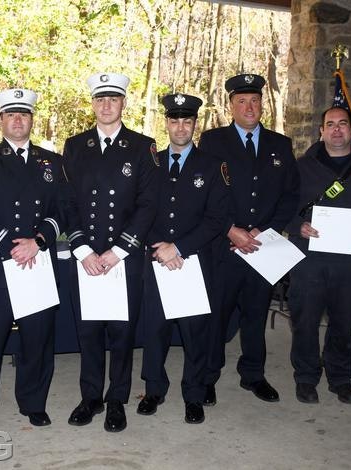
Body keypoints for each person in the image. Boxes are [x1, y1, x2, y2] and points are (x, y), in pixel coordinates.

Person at [62, 72, 160, 432]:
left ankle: (116, 398)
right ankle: (90, 397)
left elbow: (148, 205)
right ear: (92, 104)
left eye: (113, 99)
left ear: (123, 104)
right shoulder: (75, 146)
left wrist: (119, 250)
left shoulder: (142, 146)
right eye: (100, 100)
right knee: (88, 331)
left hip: (123, 257)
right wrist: (83, 249)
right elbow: (67, 202)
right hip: (86, 256)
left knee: (121, 333)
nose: (106, 106)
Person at [0, 88, 66, 432]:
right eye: (11, 115)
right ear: (1, 120)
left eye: (23, 115)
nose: (17, 120)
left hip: (35, 261)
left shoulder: (52, 162)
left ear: (32, 120)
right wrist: (10, 246)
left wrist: (38, 241)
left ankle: (34, 402)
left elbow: (60, 212)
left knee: (37, 340)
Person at [198, 73, 300, 406]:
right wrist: (229, 229)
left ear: (262, 104)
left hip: (262, 246)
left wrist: (264, 230)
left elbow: (290, 196)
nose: (249, 107)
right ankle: (208, 375)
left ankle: (253, 375)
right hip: (224, 246)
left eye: (255, 100)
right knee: (218, 315)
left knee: (256, 315)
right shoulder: (213, 141)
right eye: (241, 101)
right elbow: (203, 193)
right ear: (231, 106)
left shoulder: (279, 145)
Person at [285, 106, 351, 405]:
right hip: (309, 261)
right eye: (330, 124)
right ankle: (306, 378)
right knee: (305, 322)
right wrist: (297, 225)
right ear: (321, 131)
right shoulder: (300, 167)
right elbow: (282, 207)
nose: (336, 130)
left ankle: (340, 377)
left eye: (342, 124)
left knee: (344, 323)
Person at [137, 93, 228, 424]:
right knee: (155, 330)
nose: (180, 127)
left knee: (194, 333)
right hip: (157, 261)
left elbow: (217, 219)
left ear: (194, 125)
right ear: (166, 124)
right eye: (174, 121)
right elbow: (140, 212)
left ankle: (194, 393)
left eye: (186, 121)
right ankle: (154, 390)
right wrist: (159, 247)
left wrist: (180, 248)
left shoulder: (212, 167)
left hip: (194, 263)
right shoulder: (152, 164)